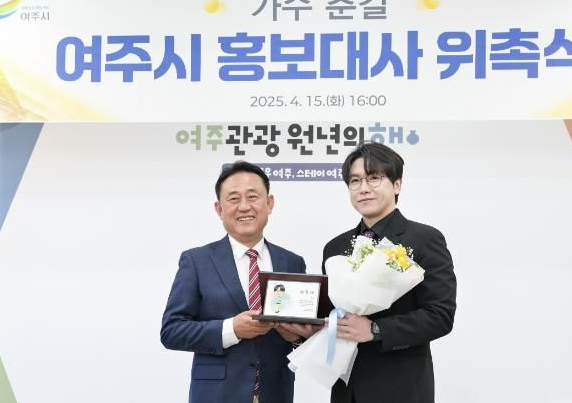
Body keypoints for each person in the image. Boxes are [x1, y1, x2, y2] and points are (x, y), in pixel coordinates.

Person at [161, 161, 305, 403]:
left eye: (253, 196)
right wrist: (231, 329)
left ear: (269, 203)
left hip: (276, 393)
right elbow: (172, 331)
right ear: (219, 209)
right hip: (217, 395)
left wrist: (297, 337)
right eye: (233, 199)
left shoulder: (292, 262)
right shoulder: (197, 261)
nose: (244, 206)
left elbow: (305, 333)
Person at [322, 142, 457, 403]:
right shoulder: (335, 248)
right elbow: (331, 314)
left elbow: (440, 315)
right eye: (355, 181)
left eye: (374, 178)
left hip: (401, 388)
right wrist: (303, 328)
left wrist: (375, 329)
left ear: (397, 184)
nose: (363, 188)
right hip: (346, 390)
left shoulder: (424, 239)